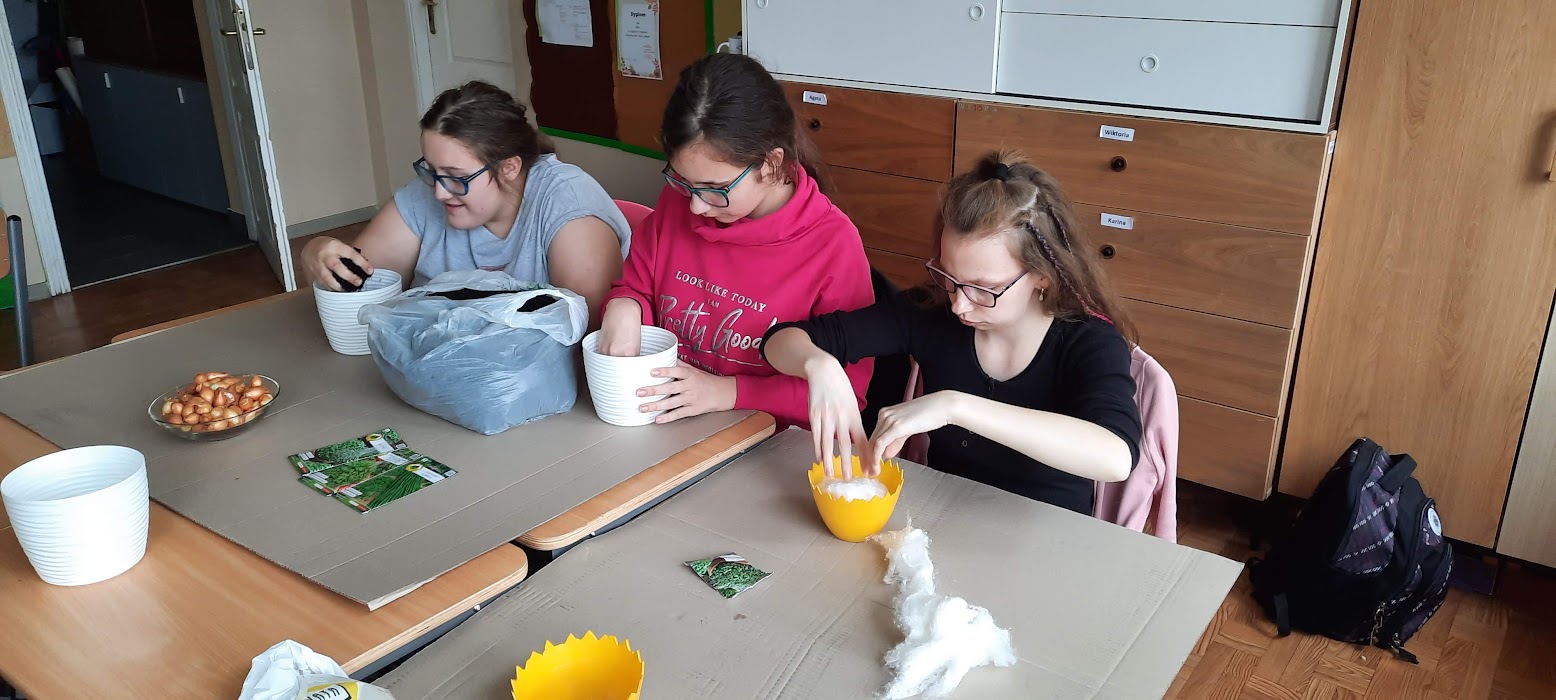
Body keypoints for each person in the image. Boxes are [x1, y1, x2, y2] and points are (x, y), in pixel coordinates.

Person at [762, 152, 1142, 515]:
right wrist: (818, 365)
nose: (960, 304)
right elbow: (778, 341)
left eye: (983, 288)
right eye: (949, 277)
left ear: (1043, 275)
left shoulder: (1088, 340)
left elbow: (1115, 457)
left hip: (1052, 532)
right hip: (949, 517)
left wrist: (954, 407)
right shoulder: (932, 313)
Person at [595, 53, 874, 428]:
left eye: (716, 188)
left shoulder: (831, 245)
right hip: (669, 423)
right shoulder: (680, 202)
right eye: (682, 180)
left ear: (771, 164)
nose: (695, 206)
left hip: (766, 438)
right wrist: (625, 306)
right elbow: (636, 286)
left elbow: (847, 392)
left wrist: (727, 392)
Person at [299, 81, 630, 322]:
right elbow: (360, 294)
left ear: (509, 168)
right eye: (432, 170)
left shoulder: (569, 205)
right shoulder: (427, 194)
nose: (439, 192)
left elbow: (584, 331)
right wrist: (317, 252)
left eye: (457, 177)